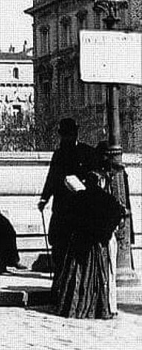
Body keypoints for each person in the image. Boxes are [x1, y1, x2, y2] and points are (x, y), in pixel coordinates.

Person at [53, 170, 124, 319]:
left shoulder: (78, 198)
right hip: (98, 245)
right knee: (99, 277)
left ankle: (73, 307)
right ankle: (99, 308)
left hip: (79, 243)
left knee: (77, 276)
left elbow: (68, 219)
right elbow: (117, 215)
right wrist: (104, 233)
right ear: (101, 182)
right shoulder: (107, 199)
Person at [37, 118, 96, 275]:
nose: (67, 138)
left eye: (70, 134)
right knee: (58, 239)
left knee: (78, 240)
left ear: (76, 133)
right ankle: (60, 273)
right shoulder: (58, 154)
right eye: (65, 135)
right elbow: (52, 178)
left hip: (81, 206)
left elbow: (94, 178)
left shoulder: (87, 152)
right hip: (62, 205)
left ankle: (77, 273)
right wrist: (44, 198)